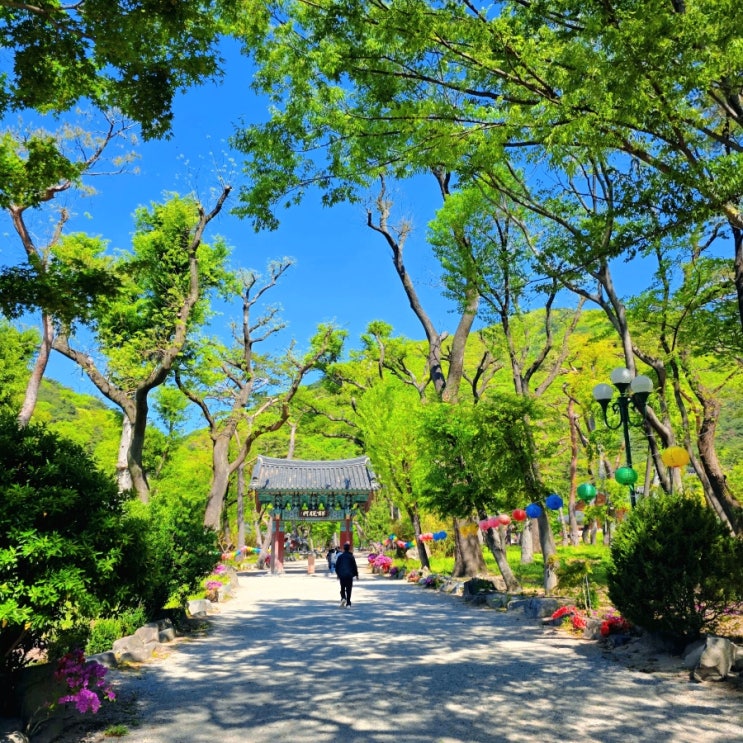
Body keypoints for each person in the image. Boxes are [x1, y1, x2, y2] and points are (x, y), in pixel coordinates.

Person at [334, 542, 358, 607]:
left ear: (344, 549)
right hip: (349, 575)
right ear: (349, 548)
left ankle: (343, 597)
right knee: (349, 589)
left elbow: (337, 566)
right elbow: (354, 566)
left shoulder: (340, 557)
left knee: (342, 587)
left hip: (342, 575)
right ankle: (348, 603)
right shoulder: (351, 557)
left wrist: (338, 574)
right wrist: (356, 574)